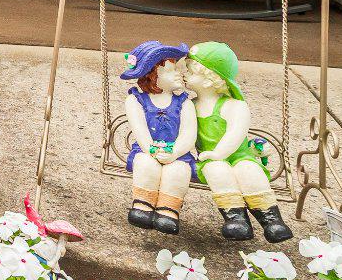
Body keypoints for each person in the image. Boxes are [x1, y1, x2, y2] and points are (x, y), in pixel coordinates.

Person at [183, 41, 293, 243]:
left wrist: (219, 153)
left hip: (239, 155)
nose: (185, 74)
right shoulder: (190, 106)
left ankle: (271, 219)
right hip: (210, 160)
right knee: (217, 171)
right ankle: (237, 219)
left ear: (208, 80)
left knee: (249, 171)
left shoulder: (235, 106)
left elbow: (236, 132)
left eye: (190, 71)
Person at [118, 40, 196, 235]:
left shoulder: (184, 102)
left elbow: (189, 134)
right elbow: (140, 131)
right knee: (145, 164)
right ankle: (143, 206)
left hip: (178, 154)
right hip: (147, 149)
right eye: (171, 70)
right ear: (152, 76)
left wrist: (174, 152)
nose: (179, 73)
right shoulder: (135, 100)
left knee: (178, 170)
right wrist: (151, 150)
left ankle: (168, 211)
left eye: (179, 68)